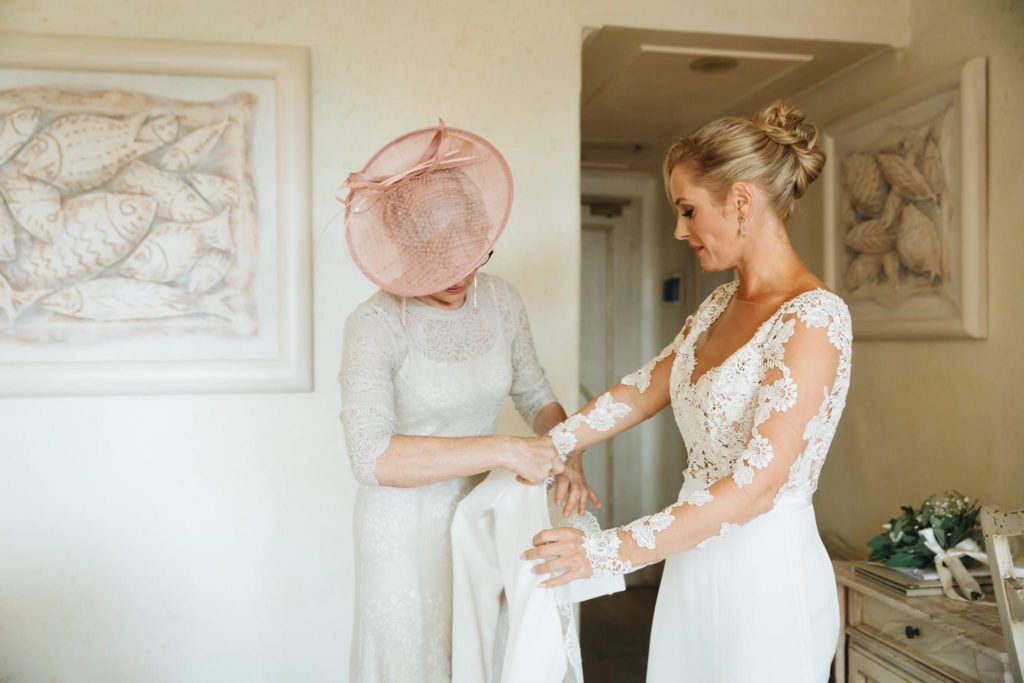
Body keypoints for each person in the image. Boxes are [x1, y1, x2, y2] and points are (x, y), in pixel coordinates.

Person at [523, 100, 853, 682]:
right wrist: (557, 446)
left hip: (766, 586)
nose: (680, 230)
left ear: (741, 202)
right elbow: (648, 387)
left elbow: (758, 486)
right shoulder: (721, 303)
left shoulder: (814, 319)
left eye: (688, 210)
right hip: (690, 572)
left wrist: (604, 551)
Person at [337, 120, 596, 682]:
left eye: (470, 251)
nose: (460, 273)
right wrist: (503, 449)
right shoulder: (374, 325)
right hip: (403, 533)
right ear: (403, 249)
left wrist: (568, 455)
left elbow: (537, 397)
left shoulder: (500, 301)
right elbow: (372, 458)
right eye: (438, 258)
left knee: (494, 653)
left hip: (488, 516)